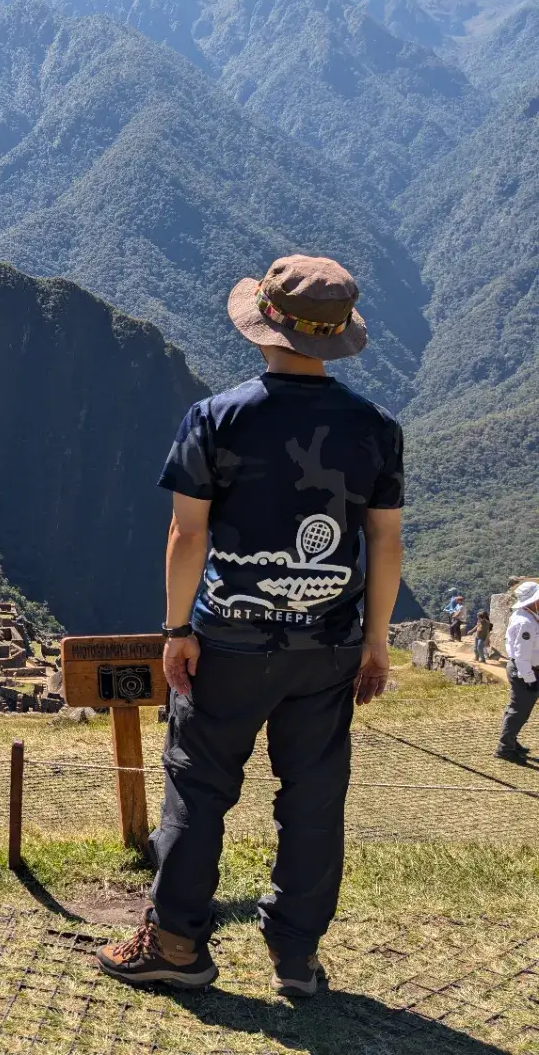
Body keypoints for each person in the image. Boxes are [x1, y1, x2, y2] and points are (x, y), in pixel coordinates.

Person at [95, 255, 403, 999]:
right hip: (327, 645)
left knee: (199, 789)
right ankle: (297, 956)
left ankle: (177, 945)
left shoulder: (216, 417)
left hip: (227, 643)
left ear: (263, 326)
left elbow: (187, 535)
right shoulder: (375, 429)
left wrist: (177, 629)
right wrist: (375, 641)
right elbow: (385, 541)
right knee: (314, 797)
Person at [495, 581, 539, 761]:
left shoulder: (528, 616)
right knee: (519, 710)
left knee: (517, 708)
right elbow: (522, 655)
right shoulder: (525, 622)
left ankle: (511, 740)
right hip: (524, 671)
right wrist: (529, 678)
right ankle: (505, 748)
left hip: (528, 669)